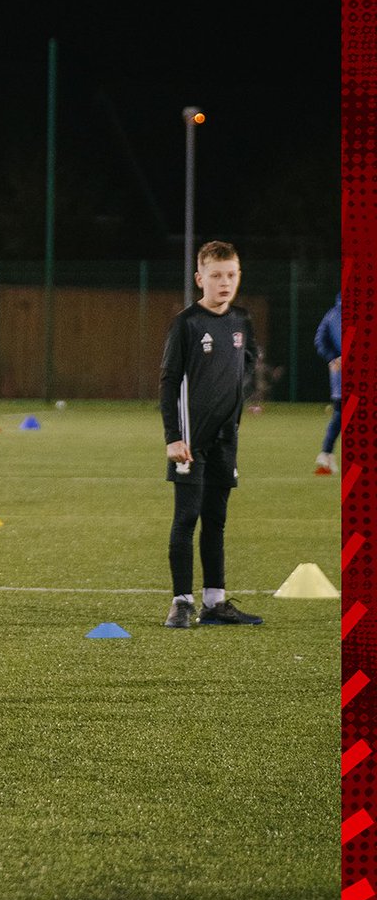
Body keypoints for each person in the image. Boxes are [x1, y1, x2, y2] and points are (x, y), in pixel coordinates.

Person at [159, 241, 263, 629]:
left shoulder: (241, 320)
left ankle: (215, 603)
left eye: (231, 275)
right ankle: (181, 603)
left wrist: (235, 406)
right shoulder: (186, 324)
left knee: (216, 519)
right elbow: (169, 382)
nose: (225, 282)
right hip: (190, 440)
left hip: (225, 438)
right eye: (216, 275)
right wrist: (173, 436)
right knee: (187, 517)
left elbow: (247, 363)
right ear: (200, 278)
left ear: (239, 276)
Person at [313, 292, 341, 475]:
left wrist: (332, 358)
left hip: (339, 376)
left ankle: (326, 454)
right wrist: (334, 358)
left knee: (340, 415)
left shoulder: (332, 314)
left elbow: (320, 340)